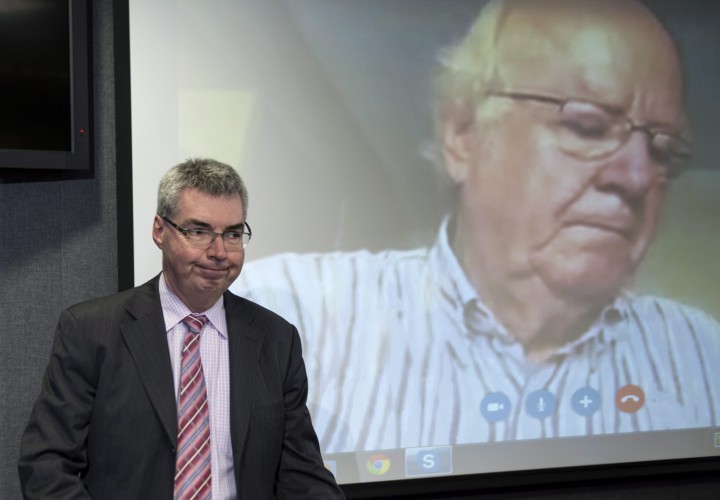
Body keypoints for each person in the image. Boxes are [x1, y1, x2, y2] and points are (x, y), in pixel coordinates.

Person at [231, 0, 720, 454]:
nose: (636, 176)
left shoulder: (701, 355)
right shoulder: (288, 313)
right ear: (462, 134)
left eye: (663, 151)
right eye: (587, 126)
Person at [18, 158, 345, 499]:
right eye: (199, 232)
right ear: (160, 231)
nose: (219, 252)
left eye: (232, 234)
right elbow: (46, 467)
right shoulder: (91, 331)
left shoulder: (275, 340)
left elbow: (302, 474)